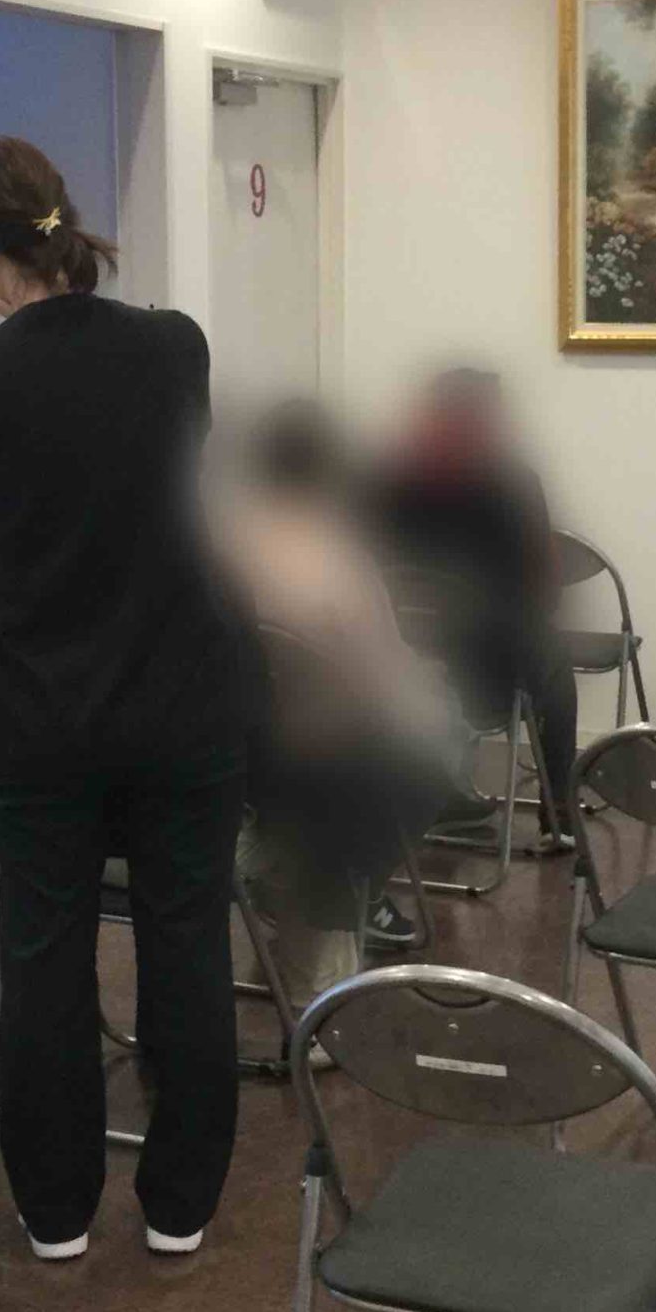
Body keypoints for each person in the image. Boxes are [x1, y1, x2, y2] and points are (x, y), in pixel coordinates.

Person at [0, 135, 251, 1262]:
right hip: (184, 693)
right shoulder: (175, 347)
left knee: (43, 950)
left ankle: (56, 1211)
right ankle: (180, 1206)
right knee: (186, 943)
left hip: (39, 708)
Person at [221, 399, 463, 996]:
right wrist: (431, 688)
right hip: (332, 765)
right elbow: (382, 684)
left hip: (235, 755)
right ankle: (341, 891)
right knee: (442, 743)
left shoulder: (218, 544)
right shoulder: (339, 562)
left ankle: (274, 859)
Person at [366, 369, 580, 875]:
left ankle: (439, 793)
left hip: (397, 666)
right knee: (555, 668)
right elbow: (545, 591)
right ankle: (558, 815)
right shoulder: (514, 483)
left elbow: (363, 566)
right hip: (490, 676)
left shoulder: (385, 480)